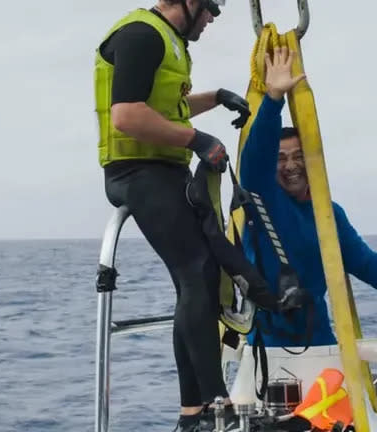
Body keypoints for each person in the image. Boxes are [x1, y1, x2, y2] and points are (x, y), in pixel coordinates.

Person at [93, 1, 273, 431]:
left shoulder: (168, 40)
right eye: (212, 6)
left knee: (199, 277)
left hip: (163, 172)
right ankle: (215, 407)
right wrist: (197, 140)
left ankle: (194, 411)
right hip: (136, 173)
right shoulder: (140, 35)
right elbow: (128, 116)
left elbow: (164, 110)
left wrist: (214, 99)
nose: (215, 16)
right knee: (196, 271)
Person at [239, 46, 377, 349]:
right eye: (281, 159)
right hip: (267, 345)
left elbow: (363, 261)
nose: (291, 165)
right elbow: (254, 163)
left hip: (318, 336)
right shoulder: (264, 202)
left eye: (299, 156)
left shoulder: (328, 214)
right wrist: (273, 100)